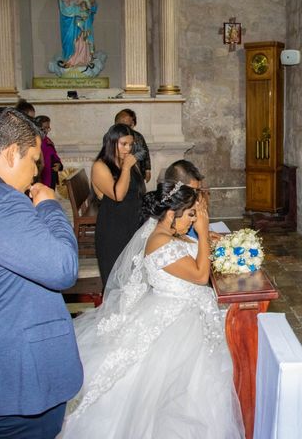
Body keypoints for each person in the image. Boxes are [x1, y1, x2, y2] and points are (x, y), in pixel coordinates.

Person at [58, 181, 244, 438]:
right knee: (181, 390)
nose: (192, 220)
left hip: (190, 308)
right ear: (171, 214)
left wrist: (220, 239)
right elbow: (201, 275)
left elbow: (194, 248)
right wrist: (202, 228)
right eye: (190, 214)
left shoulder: (172, 233)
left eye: (194, 216)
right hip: (176, 318)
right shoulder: (159, 243)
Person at [0, 107, 82, 438]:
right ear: (11, 153)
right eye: (34, 160)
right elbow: (62, 268)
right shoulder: (2, 201)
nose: (35, 173)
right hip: (19, 380)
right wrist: (49, 206)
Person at [92, 124, 145, 287]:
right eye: (123, 144)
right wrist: (126, 167)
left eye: (130, 144)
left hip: (132, 224)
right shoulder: (100, 166)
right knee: (117, 283)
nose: (128, 149)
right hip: (113, 230)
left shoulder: (128, 162)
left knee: (135, 279)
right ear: (112, 142)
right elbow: (118, 195)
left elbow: (139, 190)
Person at [115, 109, 151, 183]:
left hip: (136, 172)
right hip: (118, 173)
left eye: (129, 124)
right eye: (123, 123)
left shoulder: (138, 136)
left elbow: (145, 152)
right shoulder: (111, 137)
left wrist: (147, 170)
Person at [36, 115, 64, 190]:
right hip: (41, 180)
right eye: (45, 128)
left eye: (48, 128)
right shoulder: (35, 142)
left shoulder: (48, 140)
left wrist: (59, 165)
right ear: (38, 128)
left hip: (51, 178)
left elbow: (55, 157)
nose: (47, 130)